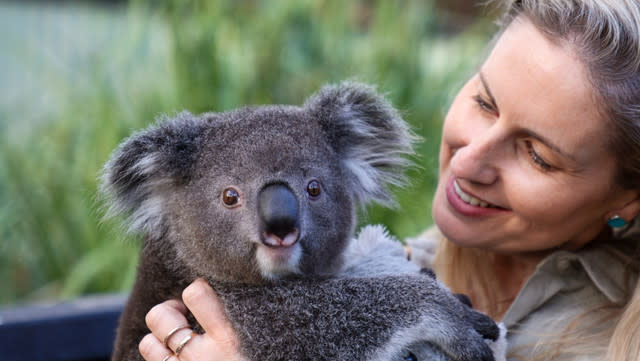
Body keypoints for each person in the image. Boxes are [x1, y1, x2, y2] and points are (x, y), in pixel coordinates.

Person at [137, 0, 640, 360]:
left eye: (537, 155)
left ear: (628, 200)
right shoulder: (397, 262)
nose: (468, 162)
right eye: (485, 103)